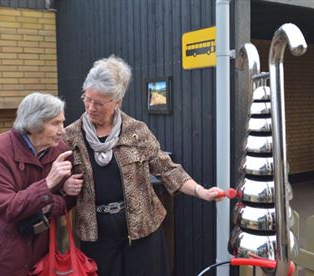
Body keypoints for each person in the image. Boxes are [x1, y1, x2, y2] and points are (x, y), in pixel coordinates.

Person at [62, 55, 223, 276]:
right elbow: (52, 177)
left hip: (142, 229)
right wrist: (65, 184)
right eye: (87, 98)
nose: (90, 107)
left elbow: (166, 168)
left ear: (116, 102)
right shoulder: (70, 136)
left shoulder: (136, 131)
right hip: (96, 233)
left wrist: (200, 191)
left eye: (98, 102)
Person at [0, 92, 83, 276]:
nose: (62, 130)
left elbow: (66, 203)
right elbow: (6, 206)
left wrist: (65, 190)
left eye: (62, 122)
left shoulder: (60, 150)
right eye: (55, 123)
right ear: (34, 124)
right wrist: (48, 185)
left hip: (39, 253)